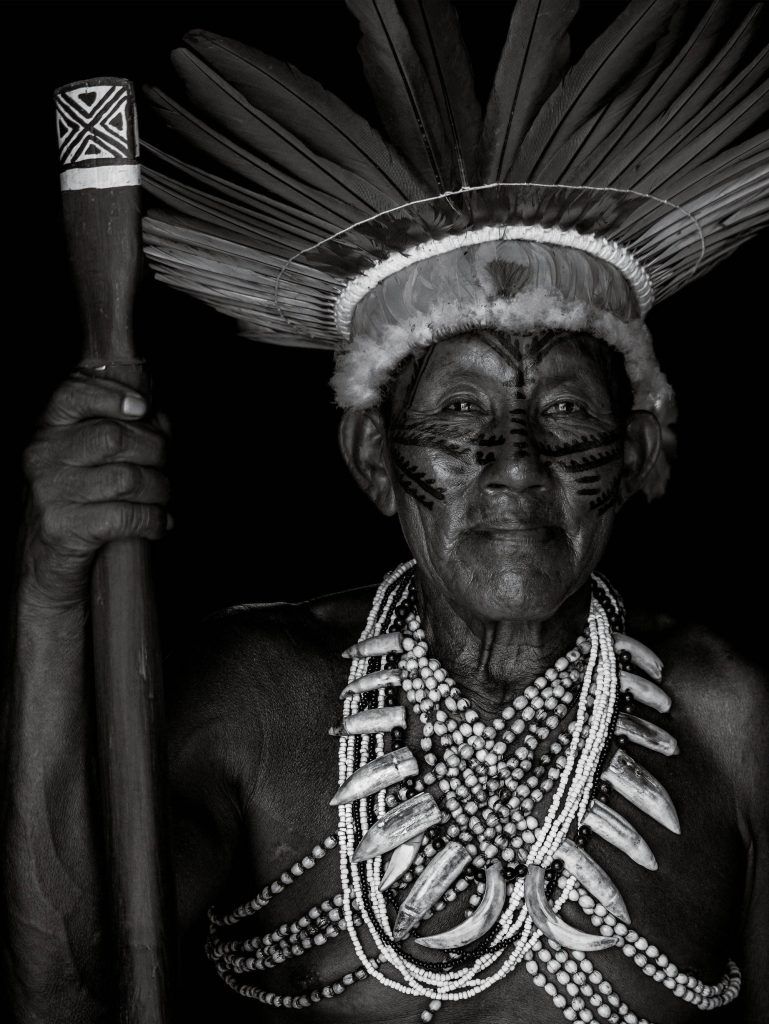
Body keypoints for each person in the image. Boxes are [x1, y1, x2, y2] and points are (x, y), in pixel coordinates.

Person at [4, 2, 769, 1022]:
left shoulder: (728, 719)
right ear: (373, 458)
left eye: (566, 412)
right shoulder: (256, 704)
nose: (514, 465)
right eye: (459, 410)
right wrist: (55, 584)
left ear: (630, 455)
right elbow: (66, 993)